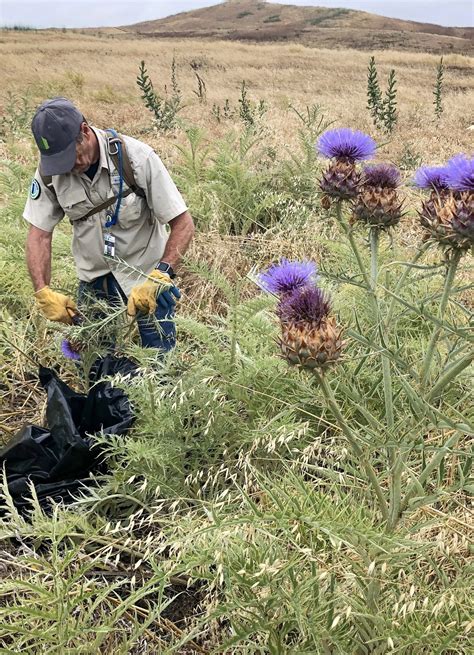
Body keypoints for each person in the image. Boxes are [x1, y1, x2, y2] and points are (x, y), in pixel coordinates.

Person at [24, 97, 195, 352]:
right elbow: (39, 235)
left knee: (160, 361)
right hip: (96, 283)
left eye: (71, 156)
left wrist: (161, 275)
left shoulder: (136, 157)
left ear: (84, 131)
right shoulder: (51, 173)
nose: (68, 167)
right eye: (59, 162)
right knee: (97, 364)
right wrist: (43, 291)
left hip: (145, 275)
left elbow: (183, 223)